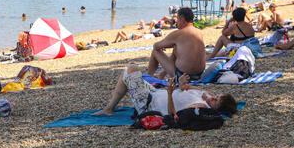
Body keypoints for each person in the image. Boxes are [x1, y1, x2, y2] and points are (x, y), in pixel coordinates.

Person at [92, 63, 237, 117]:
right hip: (155, 93)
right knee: (130, 72)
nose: (213, 98)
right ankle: (109, 108)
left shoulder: (201, 107)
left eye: (215, 101)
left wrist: (169, 93)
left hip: (148, 106)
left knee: (131, 70)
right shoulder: (207, 95)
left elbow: (173, 115)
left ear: (217, 109)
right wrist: (181, 84)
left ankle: (109, 108)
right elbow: (185, 88)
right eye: (217, 96)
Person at [146, 8, 206, 81]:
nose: (176, 22)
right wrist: (169, 45)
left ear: (182, 19)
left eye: (177, 19)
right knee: (176, 48)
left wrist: (162, 46)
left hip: (183, 76)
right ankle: (161, 74)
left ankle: (149, 77)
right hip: (199, 74)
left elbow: (156, 46)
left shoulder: (178, 34)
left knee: (155, 51)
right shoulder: (199, 32)